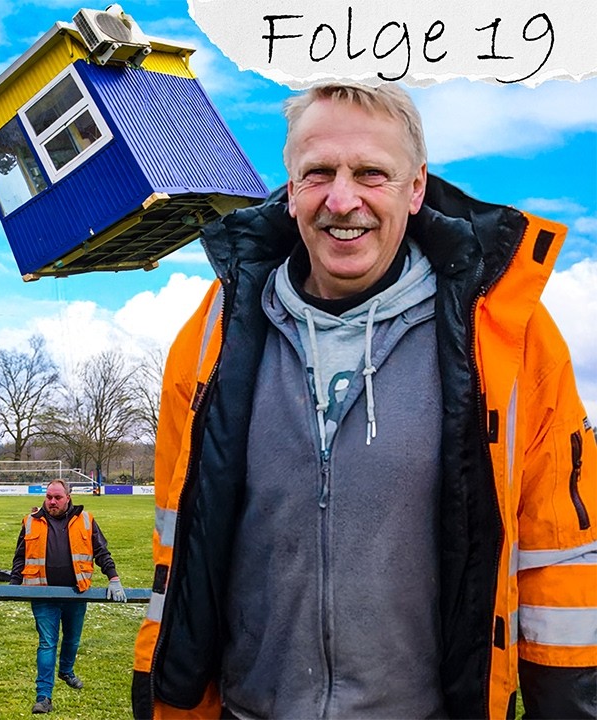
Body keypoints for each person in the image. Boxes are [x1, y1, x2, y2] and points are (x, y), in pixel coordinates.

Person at [131, 83, 597, 719]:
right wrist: (158, 686)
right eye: (317, 173)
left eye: (371, 173)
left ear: (415, 188)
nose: (342, 200)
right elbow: (177, 542)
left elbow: (560, 555)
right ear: (290, 190)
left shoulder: (508, 341)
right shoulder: (215, 332)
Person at [12, 479, 126, 714]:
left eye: (57, 498)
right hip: (42, 592)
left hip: (76, 593)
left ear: (68, 497)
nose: (52, 502)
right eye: (49, 497)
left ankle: (66, 670)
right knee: (47, 643)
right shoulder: (30, 522)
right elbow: (20, 557)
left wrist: (113, 578)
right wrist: (13, 586)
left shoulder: (86, 520)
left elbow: (101, 551)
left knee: (72, 640)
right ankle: (44, 697)